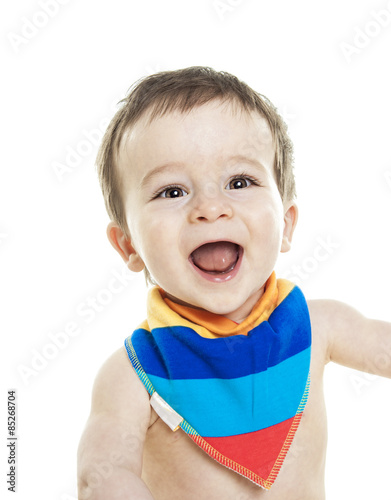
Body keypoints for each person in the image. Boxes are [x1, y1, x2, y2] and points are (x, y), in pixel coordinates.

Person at [77, 66, 391, 500]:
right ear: (128, 244)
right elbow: (100, 475)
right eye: (172, 191)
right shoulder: (135, 374)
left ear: (285, 224)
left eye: (239, 181)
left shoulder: (319, 327)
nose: (210, 207)